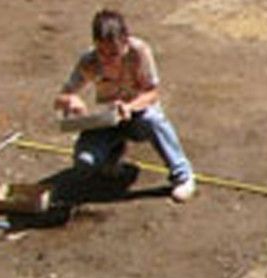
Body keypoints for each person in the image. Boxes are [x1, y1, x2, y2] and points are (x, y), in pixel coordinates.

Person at [55, 9, 197, 202]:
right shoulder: (89, 61)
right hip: (108, 119)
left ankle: (183, 175)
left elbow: (152, 93)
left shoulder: (139, 52)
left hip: (137, 115)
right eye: (101, 52)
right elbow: (61, 97)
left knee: (153, 119)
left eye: (114, 53)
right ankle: (114, 155)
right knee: (84, 163)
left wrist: (130, 107)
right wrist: (70, 100)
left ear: (126, 42)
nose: (107, 59)